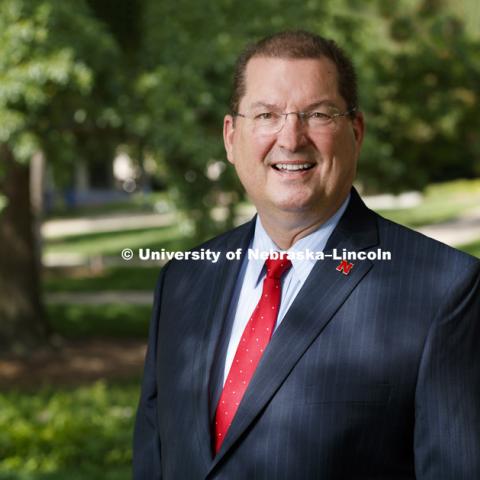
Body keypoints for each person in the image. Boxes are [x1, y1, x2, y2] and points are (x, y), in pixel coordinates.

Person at [133, 30, 480, 479]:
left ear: (355, 131)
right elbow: (153, 458)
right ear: (231, 136)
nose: (291, 138)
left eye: (317, 114)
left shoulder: (445, 291)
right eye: (266, 115)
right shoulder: (183, 281)